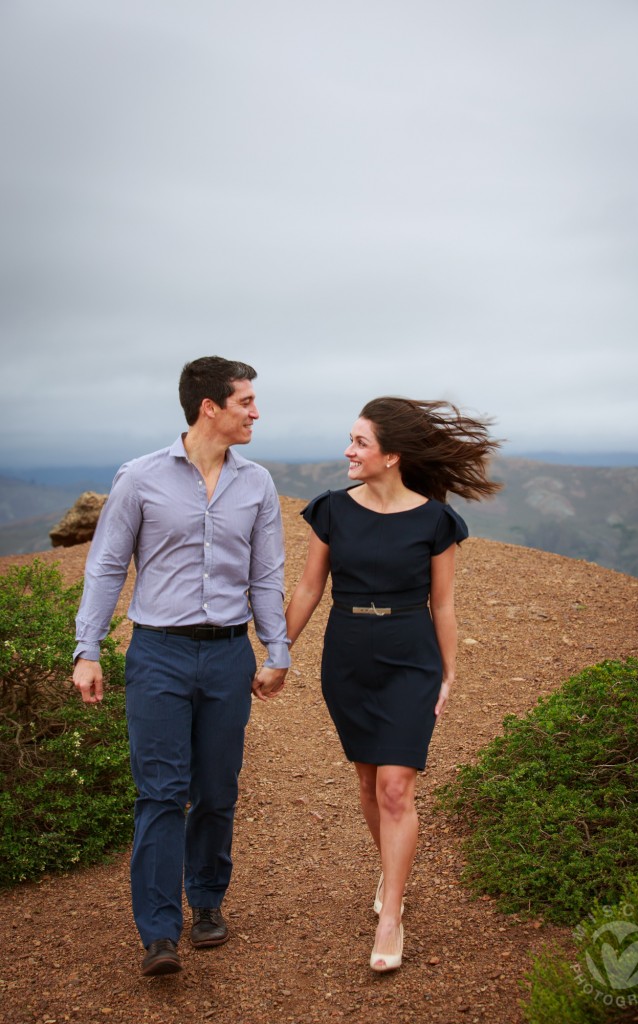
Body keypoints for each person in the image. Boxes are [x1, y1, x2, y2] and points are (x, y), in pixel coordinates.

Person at [72, 356, 289, 977]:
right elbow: (107, 565)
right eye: (246, 401)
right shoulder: (138, 479)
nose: (255, 411)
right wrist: (88, 649)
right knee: (161, 794)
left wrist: (276, 651)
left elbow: (266, 574)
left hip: (227, 653)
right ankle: (160, 932)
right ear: (209, 408)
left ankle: (209, 903)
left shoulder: (258, 484)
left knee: (217, 790)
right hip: (158, 654)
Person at [285, 396, 500, 973]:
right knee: (366, 781)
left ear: (392, 456)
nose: (348, 451)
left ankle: (392, 912)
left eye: (360, 442)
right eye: (350, 440)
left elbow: (445, 604)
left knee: (395, 789)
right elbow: (308, 589)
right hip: (348, 659)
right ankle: (392, 865)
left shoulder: (435, 520)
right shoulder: (330, 510)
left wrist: (450, 671)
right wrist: (278, 653)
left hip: (411, 659)